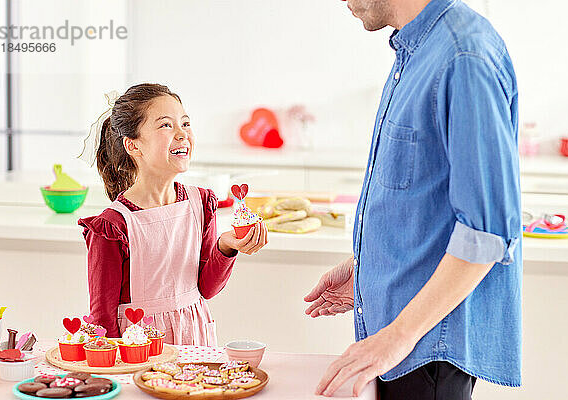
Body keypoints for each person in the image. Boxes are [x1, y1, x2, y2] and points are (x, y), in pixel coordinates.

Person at [304, 0, 521, 398]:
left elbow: (486, 236)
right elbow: (424, 200)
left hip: (424, 352)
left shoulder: (463, 56)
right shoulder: (418, 51)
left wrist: (396, 338)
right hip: (403, 346)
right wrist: (371, 272)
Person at [78, 83, 268, 345]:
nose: (182, 134)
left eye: (186, 123)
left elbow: (206, 289)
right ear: (133, 146)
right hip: (140, 349)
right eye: (166, 125)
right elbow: (102, 320)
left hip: (195, 341)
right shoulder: (113, 226)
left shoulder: (200, 202)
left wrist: (225, 246)